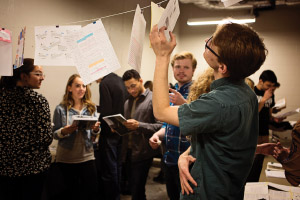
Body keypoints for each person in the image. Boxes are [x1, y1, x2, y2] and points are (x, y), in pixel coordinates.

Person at [149, 21, 267, 199]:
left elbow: (161, 111)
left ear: (222, 67)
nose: (207, 40)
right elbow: (217, 139)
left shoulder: (218, 102)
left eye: (212, 42)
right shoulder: (246, 93)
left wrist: (162, 56)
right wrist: (186, 155)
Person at [0, 58, 53, 200]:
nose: (42, 78)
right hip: (32, 171)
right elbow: (46, 138)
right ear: (23, 76)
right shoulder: (38, 101)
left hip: (4, 169)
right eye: (38, 74)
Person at [149, 51, 197, 200]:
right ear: (172, 69)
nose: (181, 70)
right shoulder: (169, 92)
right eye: (177, 67)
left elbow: (202, 122)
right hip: (170, 160)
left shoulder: (200, 92)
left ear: (193, 70)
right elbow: (167, 125)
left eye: (186, 67)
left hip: (189, 161)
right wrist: (156, 135)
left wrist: (183, 103)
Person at [52, 74, 100, 200]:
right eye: (77, 85)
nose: (81, 89)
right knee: (69, 194)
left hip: (87, 156)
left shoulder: (91, 108)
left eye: (84, 86)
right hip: (66, 158)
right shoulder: (60, 109)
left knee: (90, 193)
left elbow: (94, 135)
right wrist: (64, 131)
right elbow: (54, 134)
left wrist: (96, 129)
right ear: (69, 88)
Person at [121, 69, 162, 200]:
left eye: (133, 86)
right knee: (133, 189)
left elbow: (161, 126)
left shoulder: (153, 99)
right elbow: (128, 127)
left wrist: (139, 125)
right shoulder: (128, 102)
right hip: (128, 151)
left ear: (140, 81)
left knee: (138, 190)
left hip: (143, 152)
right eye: (127, 88)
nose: (131, 90)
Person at [247, 70, 285, 182]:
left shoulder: (270, 93)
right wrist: (263, 99)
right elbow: (252, 114)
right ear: (261, 81)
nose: (270, 88)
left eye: (272, 86)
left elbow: (268, 112)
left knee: (259, 163)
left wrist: (274, 119)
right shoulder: (252, 91)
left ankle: (255, 184)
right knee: (251, 163)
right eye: (268, 85)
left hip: (264, 132)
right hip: (253, 132)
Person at [95, 73, 128, 200]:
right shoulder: (119, 79)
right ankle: (117, 196)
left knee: (109, 169)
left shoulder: (105, 83)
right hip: (121, 129)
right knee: (117, 166)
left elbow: (107, 110)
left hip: (110, 131)